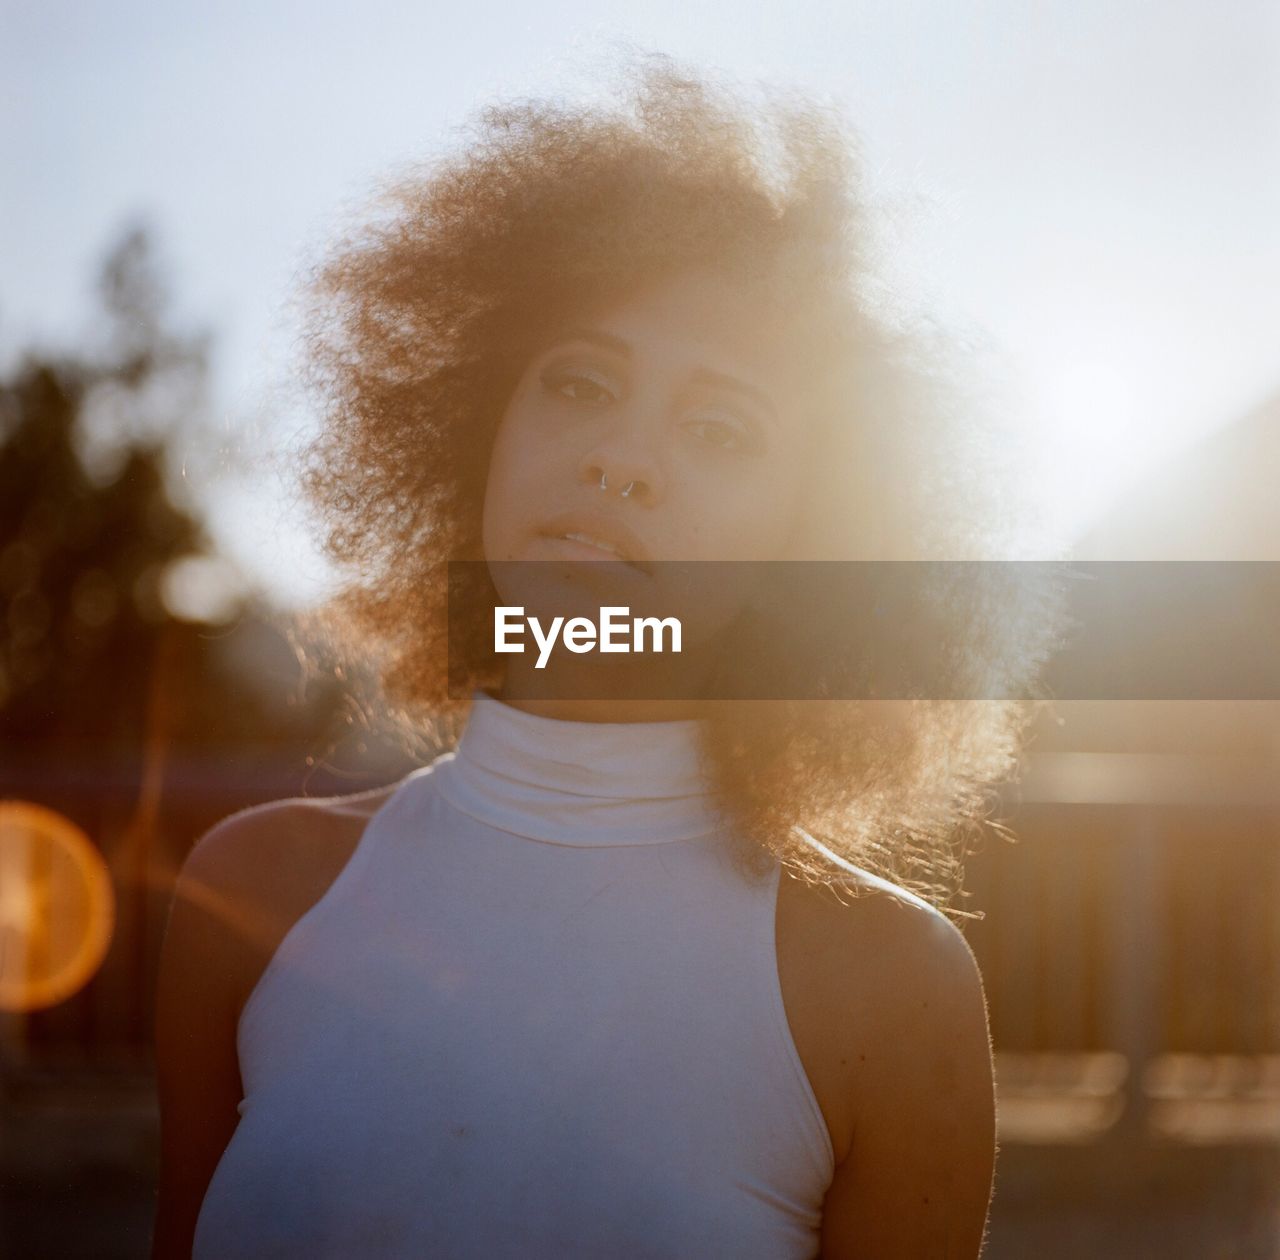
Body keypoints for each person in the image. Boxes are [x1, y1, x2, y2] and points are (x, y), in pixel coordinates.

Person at [153, 49, 1060, 1259]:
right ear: (477, 431)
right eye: (578, 383)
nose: (623, 459)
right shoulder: (250, 895)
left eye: (719, 428)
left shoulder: (888, 991)